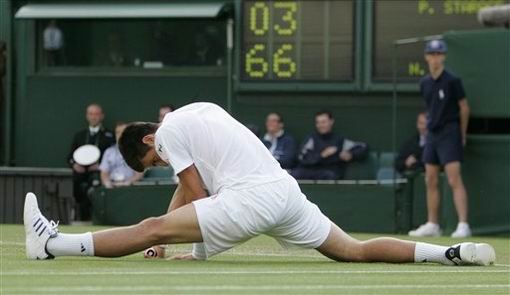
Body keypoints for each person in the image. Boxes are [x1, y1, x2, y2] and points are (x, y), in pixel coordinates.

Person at [24, 102, 495, 267]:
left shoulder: (168, 135)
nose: (161, 161)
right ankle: (446, 254)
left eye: (153, 159)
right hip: (285, 194)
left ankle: (52, 244)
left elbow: (198, 196)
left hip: (250, 200)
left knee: (148, 226)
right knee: (354, 249)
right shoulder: (199, 114)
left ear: (151, 138)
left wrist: (193, 248)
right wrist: (177, 239)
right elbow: (188, 192)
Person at [409, 40, 472, 238]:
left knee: (454, 178)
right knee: (431, 179)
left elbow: (464, 108)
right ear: (427, 56)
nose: (435, 57)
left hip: (450, 132)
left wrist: (461, 134)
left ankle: (463, 225)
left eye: (438, 54)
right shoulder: (424, 83)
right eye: (432, 54)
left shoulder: (452, 80)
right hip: (432, 135)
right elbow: (430, 108)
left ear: (443, 56)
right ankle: (433, 224)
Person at [67, 104, 115, 221]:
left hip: (99, 174)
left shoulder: (109, 136)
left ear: (102, 116)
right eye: (91, 114)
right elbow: (70, 156)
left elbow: (113, 156)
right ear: (87, 116)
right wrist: (75, 165)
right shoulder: (80, 136)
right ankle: (80, 217)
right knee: (76, 185)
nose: (94, 117)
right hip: (80, 175)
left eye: (96, 114)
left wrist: (100, 166)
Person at [291, 111, 368, 180]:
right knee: (295, 174)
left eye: (323, 122)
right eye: (318, 122)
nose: (320, 125)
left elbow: (362, 147)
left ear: (331, 122)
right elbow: (301, 157)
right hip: (310, 170)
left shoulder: (339, 139)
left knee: (331, 175)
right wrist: (322, 155)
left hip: (329, 172)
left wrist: (350, 154)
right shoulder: (311, 139)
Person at [99, 122, 144, 188]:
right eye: (118, 132)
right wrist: (107, 184)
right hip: (112, 186)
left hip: (130, 186)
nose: (120, 135)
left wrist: (128, 183)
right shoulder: (108, 152)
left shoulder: (136, 151)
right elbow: (104, 173)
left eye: (123, 132)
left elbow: (139, 174)